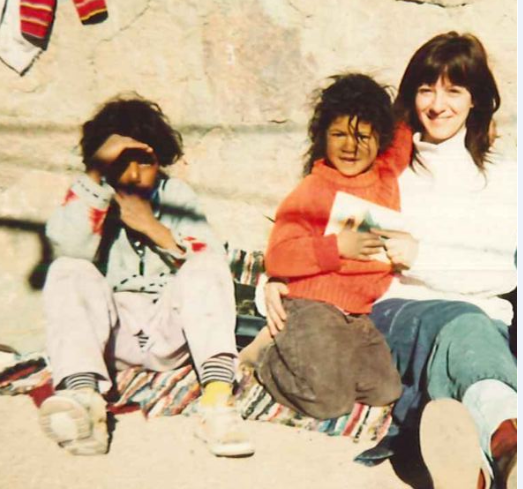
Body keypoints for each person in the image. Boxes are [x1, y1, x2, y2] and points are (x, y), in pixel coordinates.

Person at [260, 32, 516, 489]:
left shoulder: (504, 176)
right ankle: (506, 440)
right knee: (464, 332)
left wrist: (420, 256)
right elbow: (313, 224)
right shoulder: (389, 163)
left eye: (454, 91)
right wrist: (277, 279)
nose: (438, 105)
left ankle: (481, 463)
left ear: (476, 99)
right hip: (395, 315)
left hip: (478, 322)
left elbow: (506, 273)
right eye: (426, 90)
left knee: (466, 331)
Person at [40, 96, 255, 458]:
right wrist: (94, 180)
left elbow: (211, 262)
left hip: (169, 333)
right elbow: (67, 249)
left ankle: (217, 403)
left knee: (207, 264)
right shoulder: (91, 195)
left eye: (144, 161)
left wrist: (151, 226)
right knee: (66, 269)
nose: (134, 174)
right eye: (120, 162)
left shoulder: (175, 195)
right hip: (113, 337)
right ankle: (85, 400)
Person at [240, 73, 412, 419]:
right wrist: (335, 248)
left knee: (385, 390)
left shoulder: (384, 177)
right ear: (322, 137)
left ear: (380, 138)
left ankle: (313, 362)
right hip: (311, 307)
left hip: (357, 315)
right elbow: (278, 256)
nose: (350, 146)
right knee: (329, 402)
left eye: (362, 136)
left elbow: (407, 125)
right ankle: (268, 357)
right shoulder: (313, 190)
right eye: (338, 135)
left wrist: (482, 120)